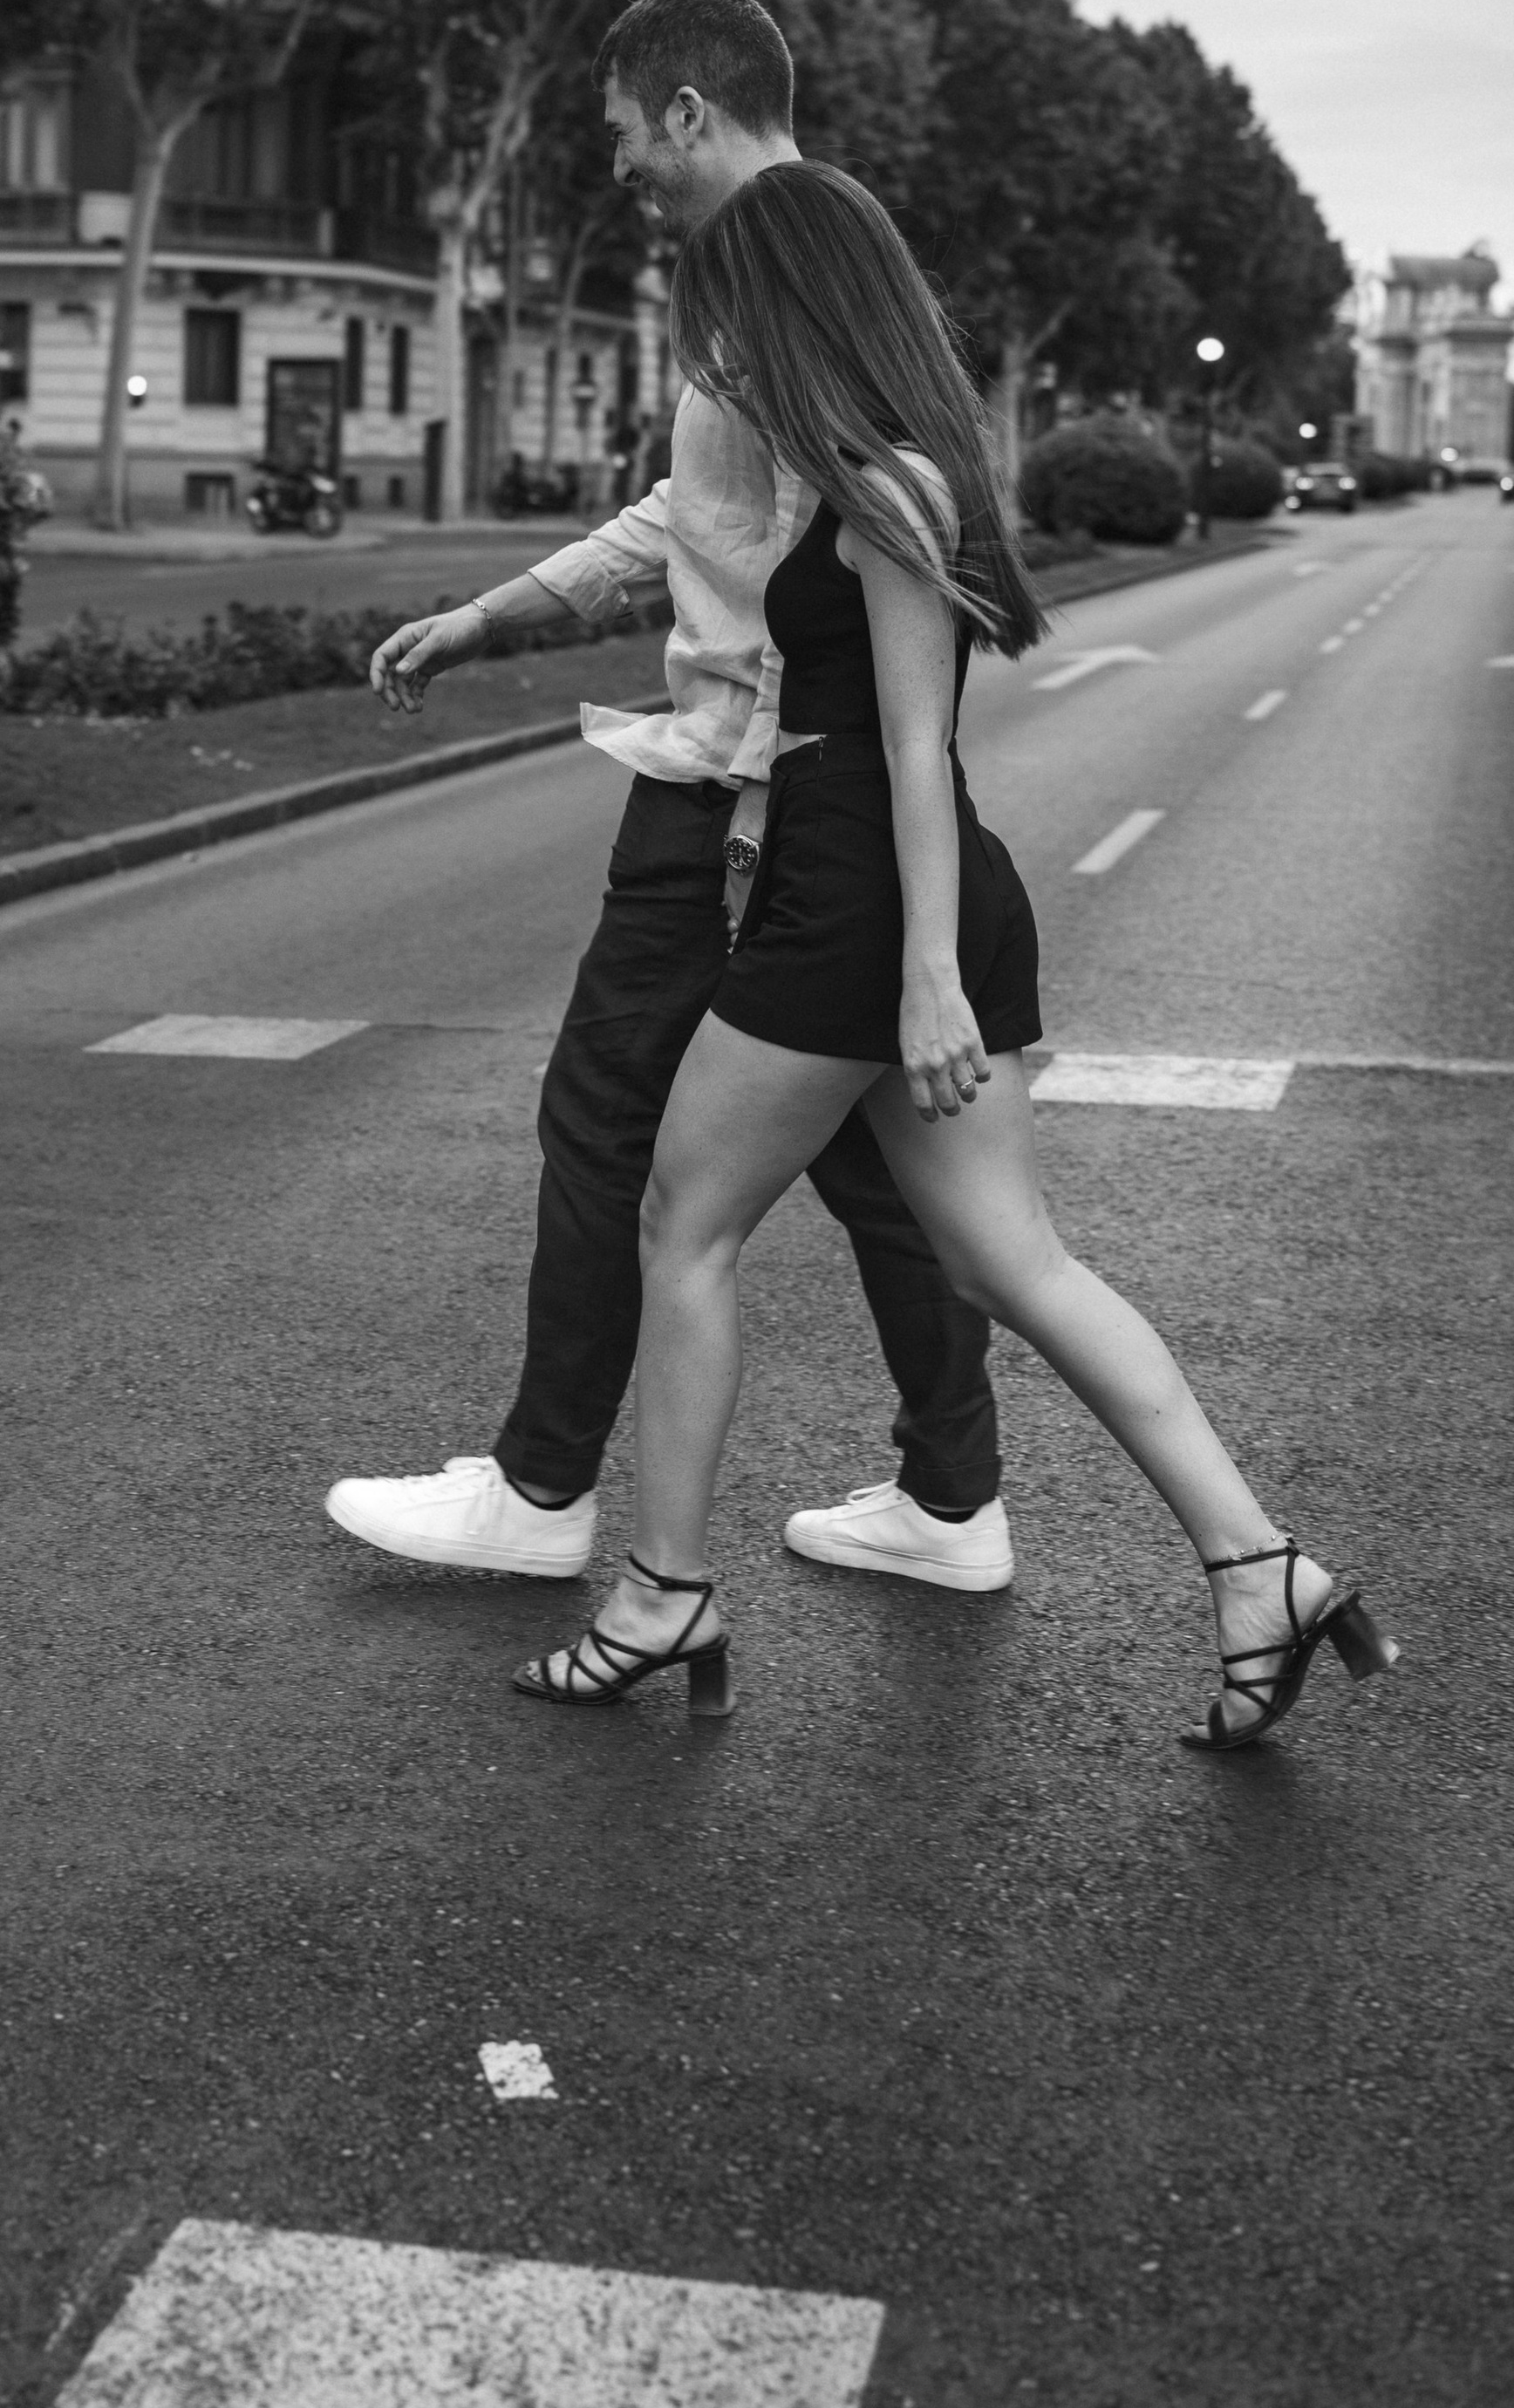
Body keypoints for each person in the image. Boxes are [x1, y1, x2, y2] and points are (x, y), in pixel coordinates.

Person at [511, 161, 1398, 1751]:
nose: (721, 344)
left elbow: (913, 748)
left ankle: (661, 1595)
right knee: (1009, 1265)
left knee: (683, 1227)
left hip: (864, 901)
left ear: (798, 304)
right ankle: (1260, 1570)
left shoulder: (890, 487)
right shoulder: (876, 471)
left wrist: (924, 976)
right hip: (889, 894)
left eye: (734, 311)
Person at [327, 0, 1014, 1600]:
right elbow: (695, 513)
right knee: (875, 1168)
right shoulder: (820, 262)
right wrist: (502, 611)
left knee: (603, 1125)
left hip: (736, 799)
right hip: (799, 801)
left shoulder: (772, 283)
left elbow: (807, 557)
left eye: (629, 133)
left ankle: (544, 1492)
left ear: (690, 111)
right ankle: (954, 1496)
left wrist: (761, 809)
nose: (624, 167)